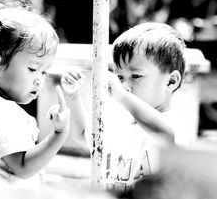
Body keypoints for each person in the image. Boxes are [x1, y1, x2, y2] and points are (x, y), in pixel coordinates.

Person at [0, 0, 71, 193]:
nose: (39, 80)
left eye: (44, 72)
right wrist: (59, 135)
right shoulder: (3, 112)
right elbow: (23, 167)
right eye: (33, 68)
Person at [62, 22, 187, 195]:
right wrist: (73, 96)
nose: (125, 85)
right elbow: (81, 134)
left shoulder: (174, 122)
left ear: (171, 81)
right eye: (119, 77)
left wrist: (122, 96)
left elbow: (165, 134)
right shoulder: (118, 119)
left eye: (135, 76)